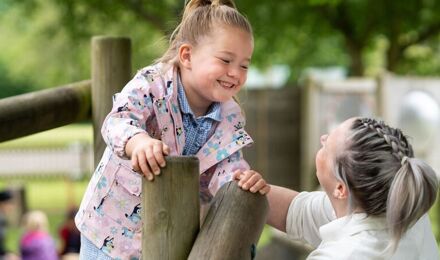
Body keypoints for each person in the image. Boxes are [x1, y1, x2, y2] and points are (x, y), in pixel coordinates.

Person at [75, 0, 269, 259]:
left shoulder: (229, 116)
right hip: (110, 231)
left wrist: (239, 179)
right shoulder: (152, 84)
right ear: (187, 56)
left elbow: (225, 166)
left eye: (244, 65)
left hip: (170, 233)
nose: (236, 73)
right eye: (225, 60)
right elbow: (117, 121)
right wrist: (138, 142)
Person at [266, 117, 439, 259]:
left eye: (326, 148)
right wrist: (241, 184)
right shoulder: (402, 205)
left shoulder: (345, 255)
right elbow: (297, 212)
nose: (323, 138)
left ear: (341, 189)